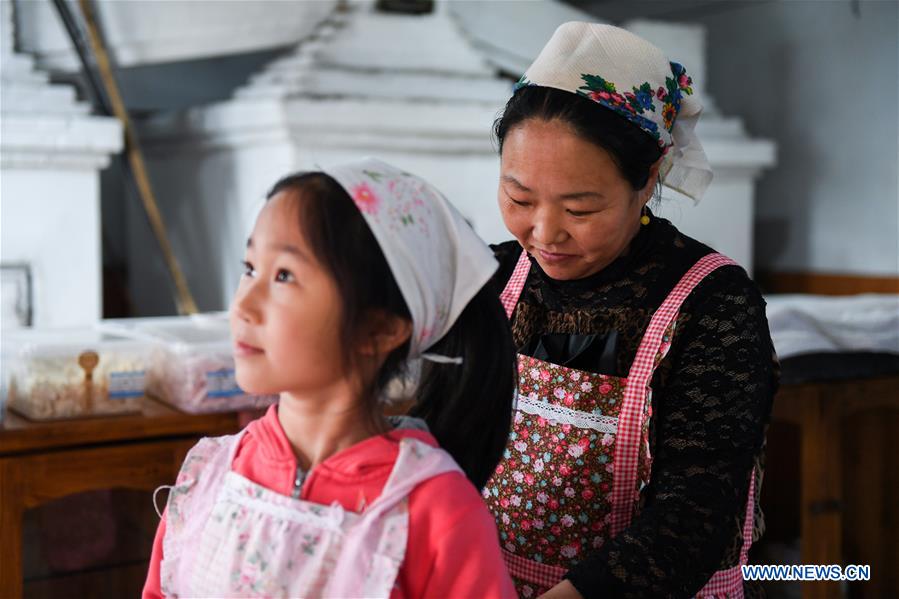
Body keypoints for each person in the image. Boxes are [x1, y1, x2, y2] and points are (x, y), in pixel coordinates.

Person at [482, 22, 778, 598]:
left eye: (580, 208)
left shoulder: (711, 304)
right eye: (519, 198)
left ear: (646, 179)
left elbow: (691, 521)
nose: (544, 233)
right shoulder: (489, 278)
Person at [142, 158, 517, 598]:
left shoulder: (434, 511)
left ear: (378, 329)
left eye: (284, 275)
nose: (244, 304)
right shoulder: (209, 475)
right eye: (249, 269)